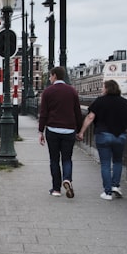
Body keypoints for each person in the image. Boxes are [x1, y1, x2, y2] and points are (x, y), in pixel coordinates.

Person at [78, 79, 127, 200]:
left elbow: (90, 117)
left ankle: (107, 192)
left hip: (103, 135)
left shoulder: (100, 101)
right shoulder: (124, 102)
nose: (102, 89)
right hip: (120, 136)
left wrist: (81, 132)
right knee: (117, 162)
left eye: (103, 87)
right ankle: (115, 185)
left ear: (107, 89)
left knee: (105, 164)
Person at [38, 66, 83, 198]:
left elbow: (43, 113)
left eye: (50, 76)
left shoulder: (47, 92)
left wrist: (41, 131)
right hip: (69, 130)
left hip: (52, 130)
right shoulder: (72, 91)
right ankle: (67, 179)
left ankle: (56, 189)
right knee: (67, 158)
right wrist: (79, 130)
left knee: (54, 160)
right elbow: (77, 113)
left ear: (54, 75)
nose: (50, 78)